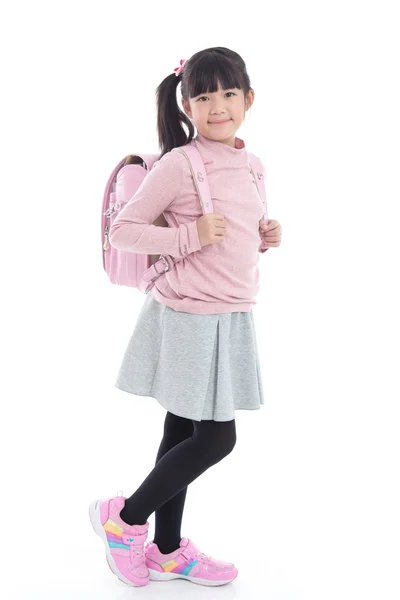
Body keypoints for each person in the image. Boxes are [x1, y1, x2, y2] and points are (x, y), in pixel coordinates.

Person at [89, 46, 282, 588]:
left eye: (227, 94)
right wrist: (188, 235)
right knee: (218, 438)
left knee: (181, 427)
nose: (217, 106)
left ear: (248, 99)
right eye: (203, 96)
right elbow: (123, 231)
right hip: (189, 317)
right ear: (186, 105)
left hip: (232, 313)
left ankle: (168, 550)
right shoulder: (179, 164)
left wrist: (263, 240)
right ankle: (124, 520)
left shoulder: (253, 164)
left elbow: (238, 233)